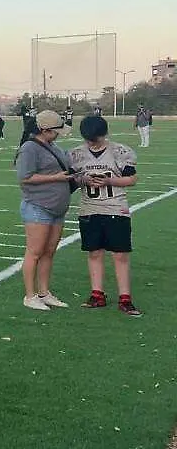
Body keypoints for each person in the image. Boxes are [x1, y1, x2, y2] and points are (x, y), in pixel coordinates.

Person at [69, 115, 141, 316]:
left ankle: (125, 298)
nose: (91, 142)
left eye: (95, 138)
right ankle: (97, 294)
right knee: (94, 252)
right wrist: (82, 179)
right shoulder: (76, 154)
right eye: (88, 138)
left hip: (115, 208)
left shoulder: (119, 151)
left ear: (104, 134)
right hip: (89, 209)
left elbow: (132, 178)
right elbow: (70, 181)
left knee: (120, 254)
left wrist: (110, 182)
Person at [15, 110, 74, 312]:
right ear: (45, 130)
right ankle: (30, 296)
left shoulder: (53, 146)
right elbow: (24, 177)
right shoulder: (29, 148)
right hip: (38, 207)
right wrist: (55, 178)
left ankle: (44, 293)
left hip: (57, 208)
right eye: (56, 131)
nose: (58, 134)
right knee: (35, 252)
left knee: (49, 252)